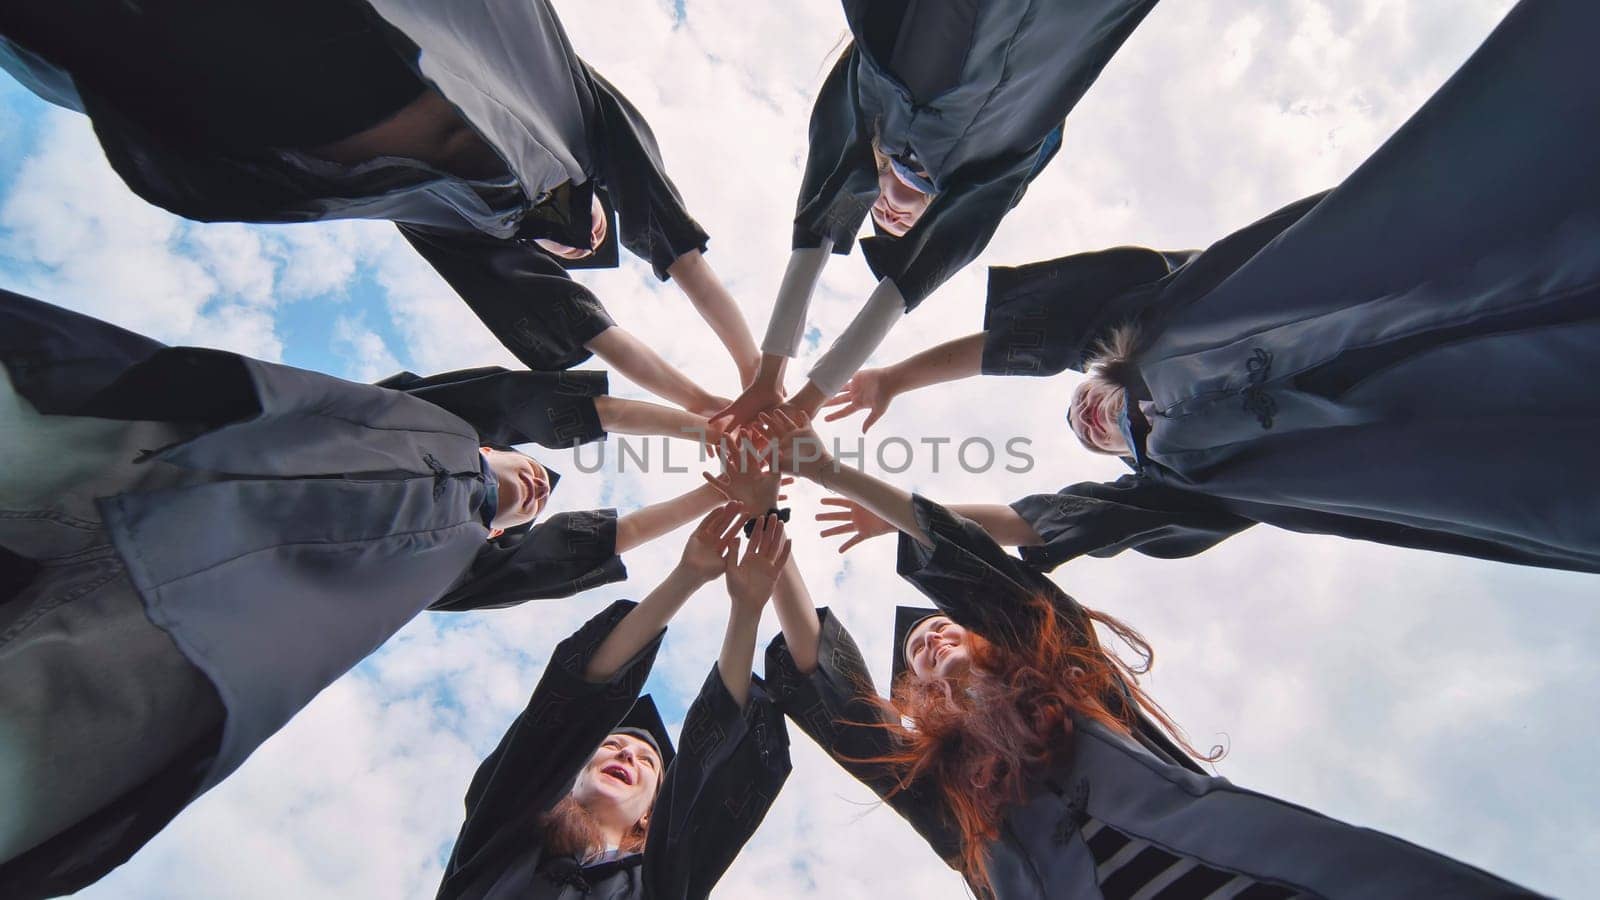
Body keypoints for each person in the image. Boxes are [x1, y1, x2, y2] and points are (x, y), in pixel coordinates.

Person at [0, 291, 776, 898]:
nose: (622, 748)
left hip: (181, 636)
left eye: (638, 754)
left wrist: (714, 527)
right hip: (144, 457)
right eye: (622, 741)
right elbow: (523, 406)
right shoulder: (422, 426)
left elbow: (570, 625)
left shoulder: (441, 562)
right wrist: (703, 434)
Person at [819, 0, 1600, 574]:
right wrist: (903, 513)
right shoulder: (1177, 481)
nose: (1088, 420)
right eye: (1088, 435)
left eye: (1078, 405)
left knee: (1518, 226)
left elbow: (1029, 340)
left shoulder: (1149, 315)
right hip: (1406, 430)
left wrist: (895, 374)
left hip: (1363, 285)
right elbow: (1035, 521)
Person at [754, 410, 1540, 899]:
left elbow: (997, 584)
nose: (927, 638)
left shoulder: (1069, 682)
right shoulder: (951, 798)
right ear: (918, 697)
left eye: (939, 627)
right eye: (917, 655)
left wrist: (827, 469)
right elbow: (839, 699)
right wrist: (769, 530)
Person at [0, 0, 757, 415]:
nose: (581, 241)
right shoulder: (575, 122)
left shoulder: (455, 223)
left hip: (258, 96)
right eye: (596, 233)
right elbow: (675, 243)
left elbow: (591, 330)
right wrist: (753, 367)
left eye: (569, 255)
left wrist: (706, 406)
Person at [713, 0, 1160, 430]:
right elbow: (907, 278)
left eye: (877, 212)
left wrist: (773, 373)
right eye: (904, 226)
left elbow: (820, 214)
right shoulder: (989, 170)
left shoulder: (877, 101)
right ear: (934, 216)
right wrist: (807, 398)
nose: (887, 212)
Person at [437, 505, 793, 899]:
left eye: (647, 762)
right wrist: (685, 577)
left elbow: (714, 758)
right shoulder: (503, 833)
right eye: (612, 745)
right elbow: (567, 710)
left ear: (649, 815)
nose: (627, 756)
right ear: (573, 775)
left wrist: (746, 608)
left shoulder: (661, 888)